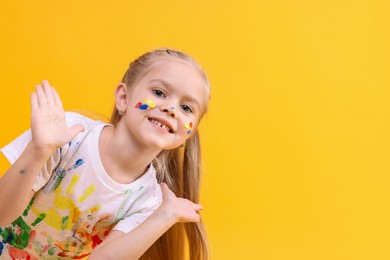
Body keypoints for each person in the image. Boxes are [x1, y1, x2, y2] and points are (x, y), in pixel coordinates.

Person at [0, 48, 210, 259]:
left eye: (186, 107)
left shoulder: (149, 199)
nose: (171, 109)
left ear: (188, 135)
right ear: (123, 97)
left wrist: (166, 215)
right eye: (159, 93)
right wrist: (38, 150)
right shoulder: (68, 135)